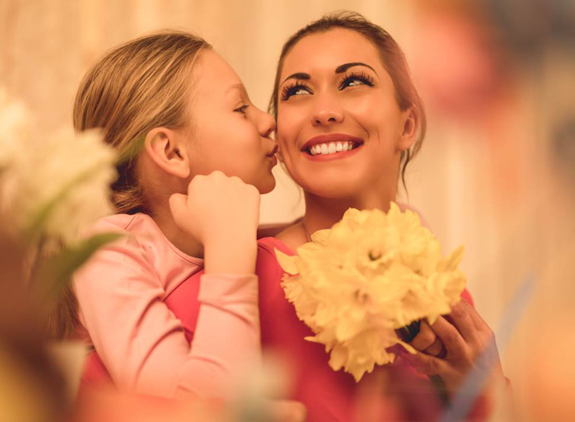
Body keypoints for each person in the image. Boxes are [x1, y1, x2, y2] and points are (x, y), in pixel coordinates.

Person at [172, 12, 509, 420]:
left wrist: (490, 393)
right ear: (278, 137)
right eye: (297, 91)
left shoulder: (445, 296)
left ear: (408, 125)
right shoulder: (231, 273)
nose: (324, 111)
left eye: (353, 82)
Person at [66, 31, 278, 399]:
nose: (268, 120)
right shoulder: (108, 252)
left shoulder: (262, 242)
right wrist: (229, 255)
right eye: (241, 108)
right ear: (171, 152)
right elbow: (186, 411)